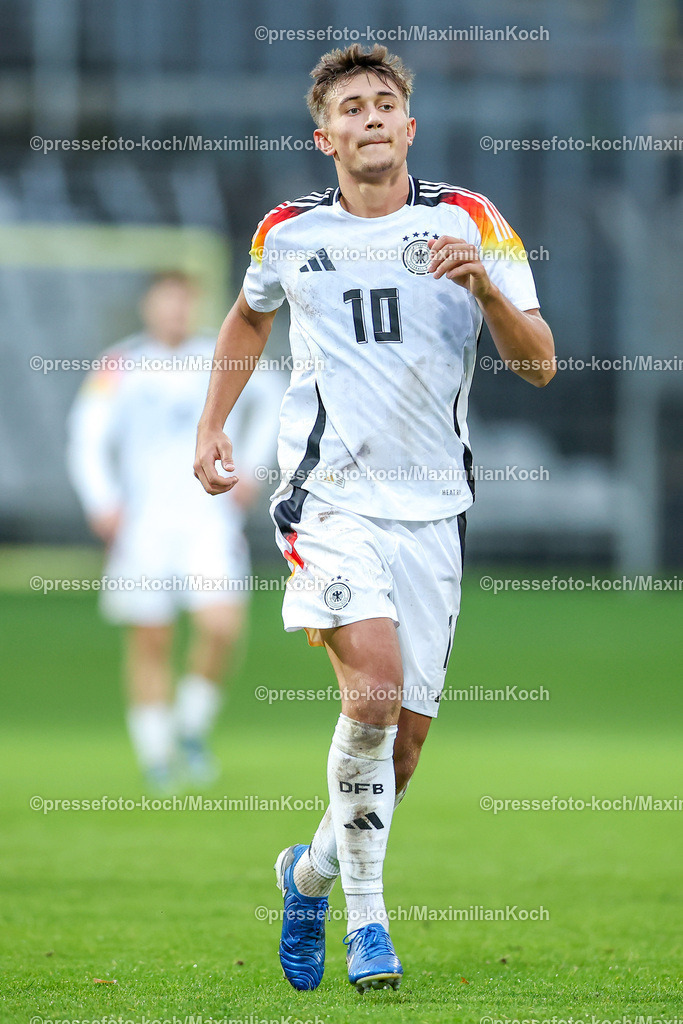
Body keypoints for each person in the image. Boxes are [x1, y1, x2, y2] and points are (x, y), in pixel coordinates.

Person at [194, 45, 555, 992]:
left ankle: (307, 873)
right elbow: (246, 316)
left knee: (400, 751)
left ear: (407, 125)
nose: (368, 117)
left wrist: (482, 286)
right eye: (349, 107)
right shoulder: (286, 232)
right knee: (371, 696)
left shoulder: (471, 221)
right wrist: (210, 427)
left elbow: (540, 361)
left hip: (434, 511)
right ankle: (369, 927)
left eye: (383, 103)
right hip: (328, 501)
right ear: (325, 136)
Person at [67, 271, 282, 789]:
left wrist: (250, 467)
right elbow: (86, 436)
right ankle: (156, 754)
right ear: (148, 307)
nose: (174, 313)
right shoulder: (120, 365)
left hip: (208, 518)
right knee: (151, 639)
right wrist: (102, 501)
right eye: (165, 303)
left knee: (221, 626)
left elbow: (273, 399)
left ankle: (190, 725)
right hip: (144, 525)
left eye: (183, 303)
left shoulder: (220, 354)